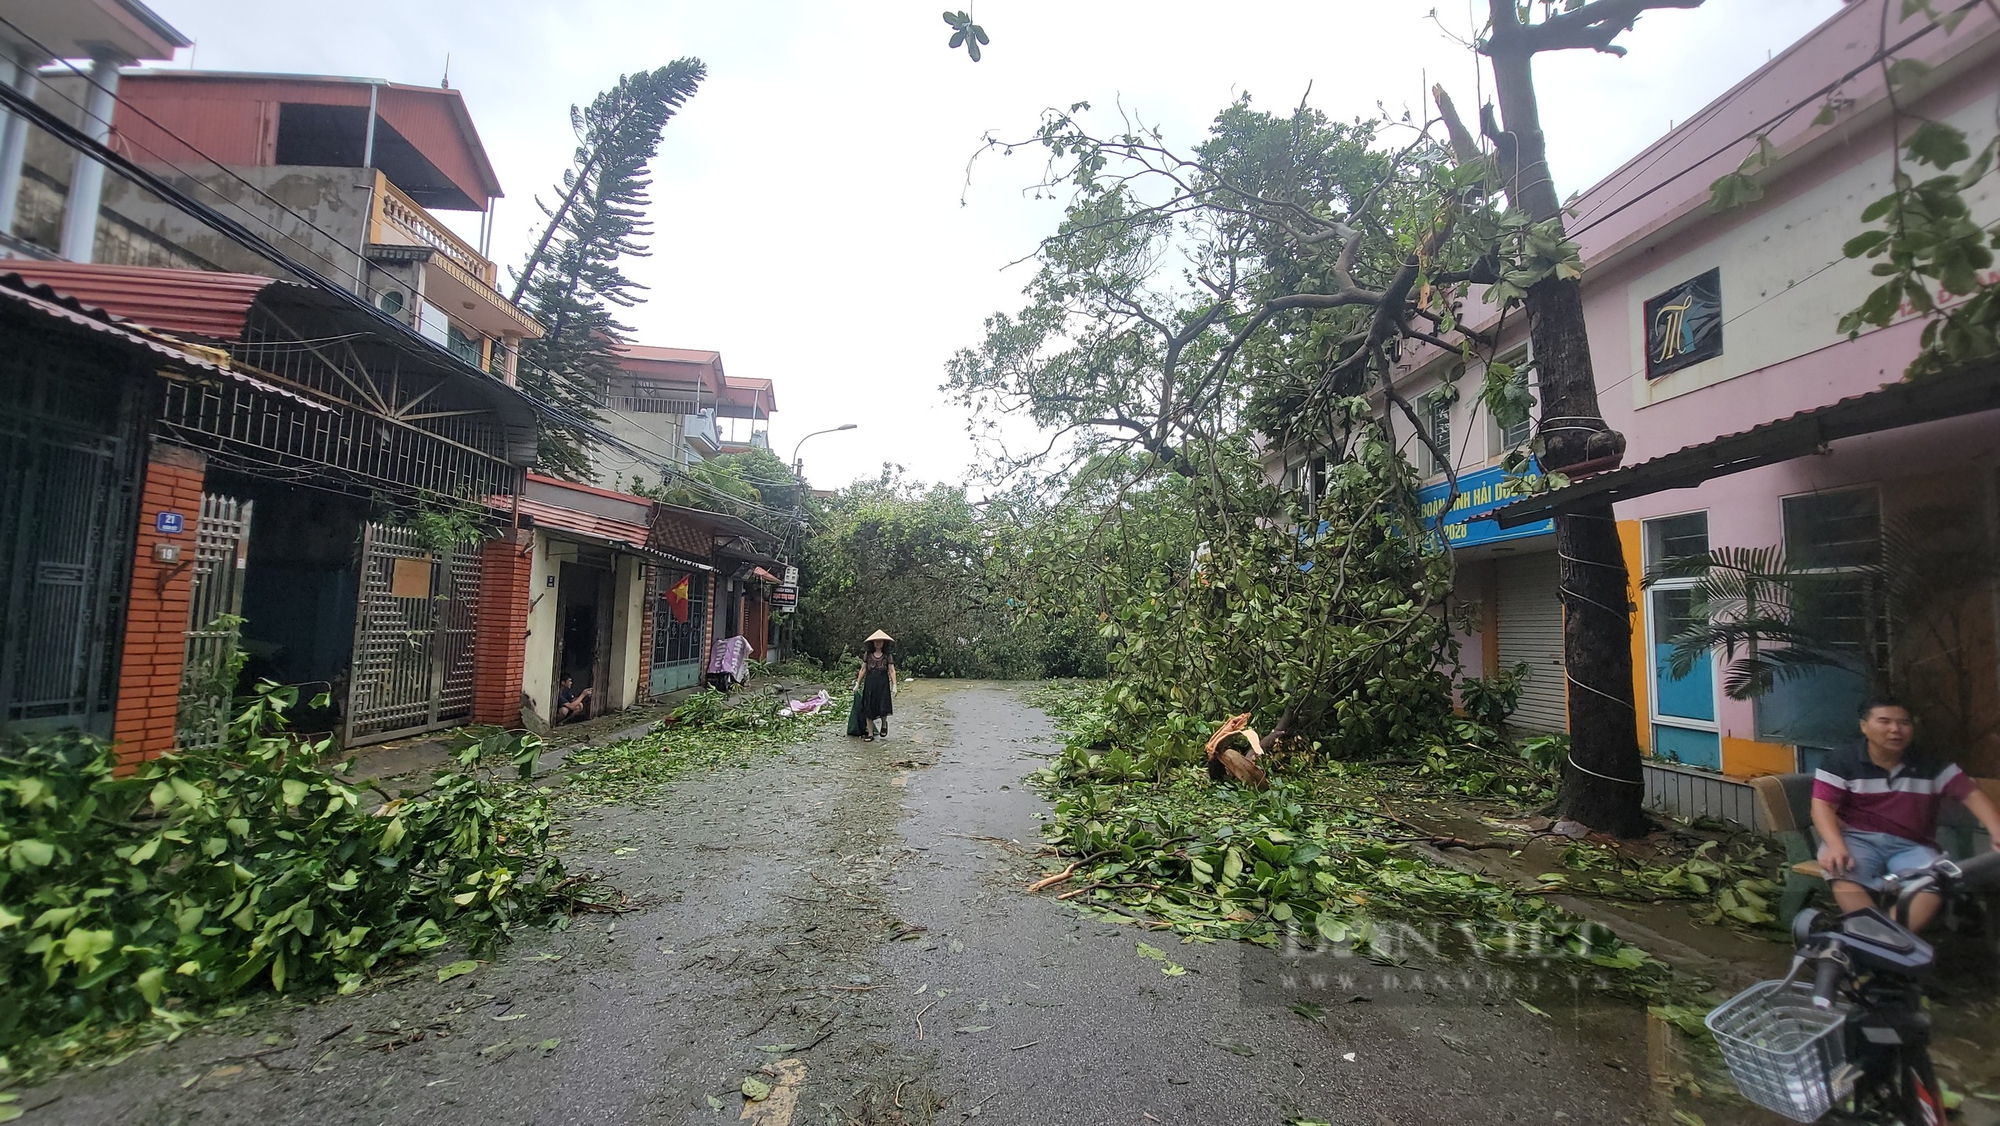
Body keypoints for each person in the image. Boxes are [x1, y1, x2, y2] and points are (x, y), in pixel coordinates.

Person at [1811, 697, 2000, 931]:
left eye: (1903, 723)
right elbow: (1822, 806)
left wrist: (1996, 830)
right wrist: (1835, 844)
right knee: (1842, 872)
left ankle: (1884, 941)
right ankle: (1883, 943)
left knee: (1935, 881)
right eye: (1884, 721)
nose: (1895, 729)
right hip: (1857, 838)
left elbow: (1970, 794)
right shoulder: (1841, 761)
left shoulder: (1931, 763)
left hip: (1912, 843)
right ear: (1864, 726)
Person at [854, 629, 897, 741]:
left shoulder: (887, 656)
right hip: (870, 683)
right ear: (872, 643)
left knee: (883, 705)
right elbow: (863, 669)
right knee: (868, 707)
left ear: (884, 643)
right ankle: (870, 733)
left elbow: (892, 671)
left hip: (882, 683)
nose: (878, 643)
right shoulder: (868, 655)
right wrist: (858, 683)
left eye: (880, 641)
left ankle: (883, 724)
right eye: (876, 641)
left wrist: (894, 685)